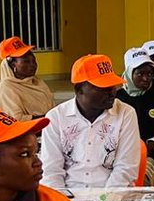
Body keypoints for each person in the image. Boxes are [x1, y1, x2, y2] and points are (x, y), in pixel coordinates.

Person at [40, 54, 141, 189]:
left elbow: (126, 168)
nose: (112, 92)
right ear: (79, 89)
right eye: (103, 87)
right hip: (68, 197)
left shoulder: (125, 114)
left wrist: (106, 200)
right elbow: (51, 172)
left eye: (113, 86)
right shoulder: (56, 117)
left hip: (114, 196)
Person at [116, 48, 154, 185]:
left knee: (141, 176)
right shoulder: (116, 99)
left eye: (149, 74)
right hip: (118, 155)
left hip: (149, 156)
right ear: (130, 73)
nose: (146, 78)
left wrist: (152, 144)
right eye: (140, 74)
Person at [0, 36, 53, 120]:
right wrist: (48, 119)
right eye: (26, 61)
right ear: (12, 65)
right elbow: (15, 120)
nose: (33, 65)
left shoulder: (38, 82)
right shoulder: (6, 88)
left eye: (34, 60)